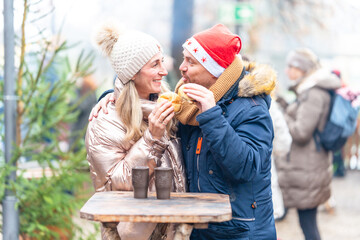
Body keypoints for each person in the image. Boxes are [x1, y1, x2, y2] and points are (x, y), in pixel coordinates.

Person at [91, 24, 277, 239]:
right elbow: (137, 96)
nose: (180, 67)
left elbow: (246, 169)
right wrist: (113, 95)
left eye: (191, 61)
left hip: (241, 231)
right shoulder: (187, 107)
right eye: (182, 58)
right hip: (196, 229)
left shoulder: (250, 109)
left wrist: (212, 115)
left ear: (214, 70)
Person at [85, 22, 187, 240]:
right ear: (132, 73)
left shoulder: (167, 108)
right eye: (155, 64)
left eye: (162, 61)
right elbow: (113, 186)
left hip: (172, 232)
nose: (164, 70)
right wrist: (152, 139)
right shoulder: (104, 121)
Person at [276, 48, 342, 240]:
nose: (287, 71)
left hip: (307, 168)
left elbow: (301, 132)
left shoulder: (313, 93)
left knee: (308, 225)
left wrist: (281, 117)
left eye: (291, 66)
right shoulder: (309, 89)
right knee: (308, 223)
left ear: (302, 69)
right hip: (307, 167)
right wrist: (284, 105)